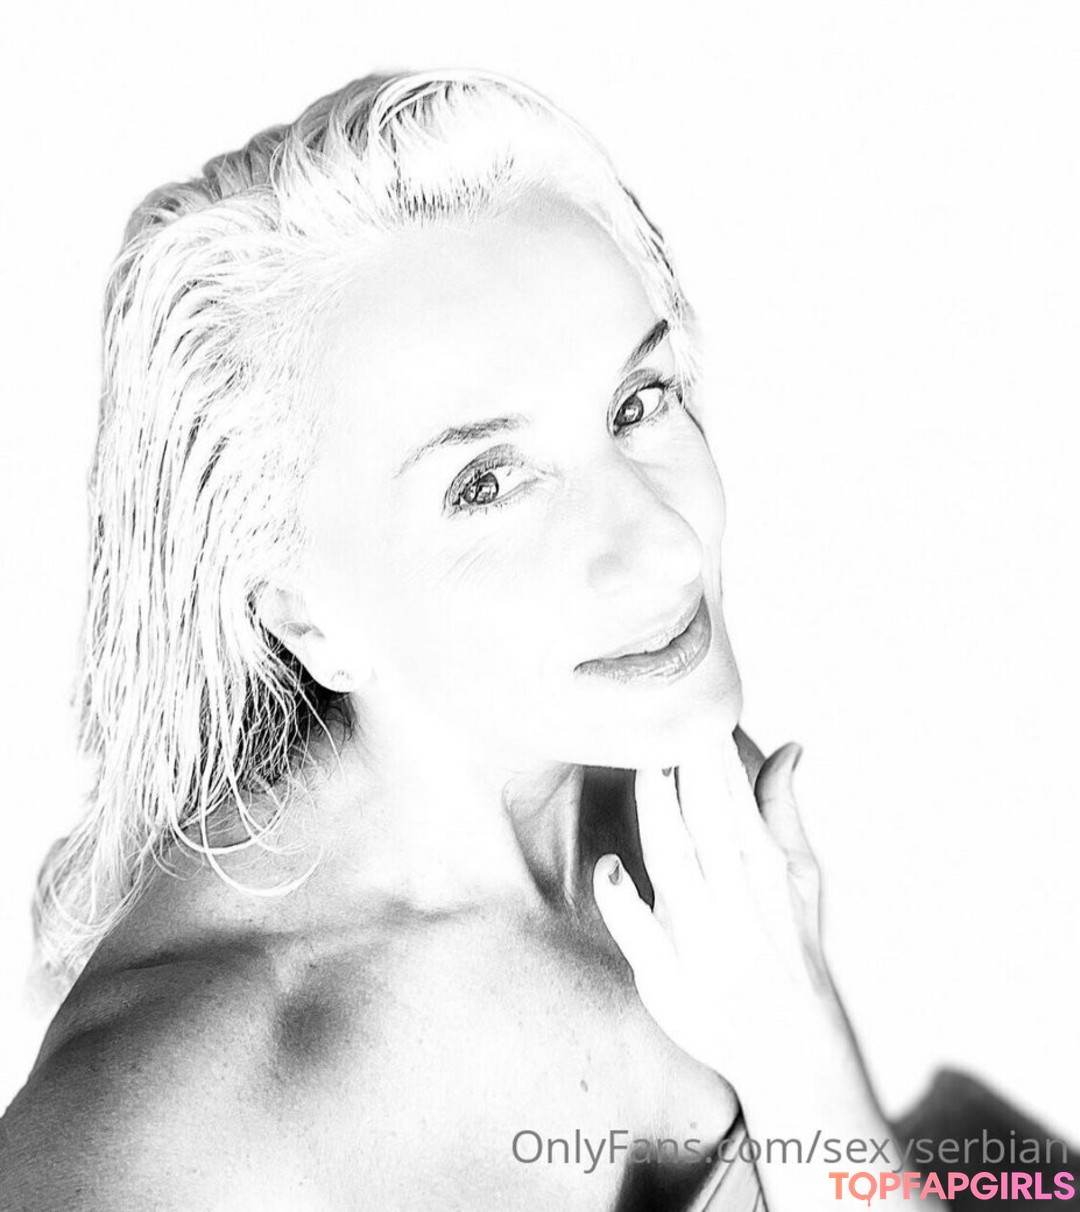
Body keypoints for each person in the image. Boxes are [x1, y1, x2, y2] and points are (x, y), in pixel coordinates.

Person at [0, 70, 1071, 1212]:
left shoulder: (660, 789)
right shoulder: (158, 1131)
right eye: (487, 483)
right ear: (306, 617)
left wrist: (798, 1058)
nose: (665, 547)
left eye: (637, 404)